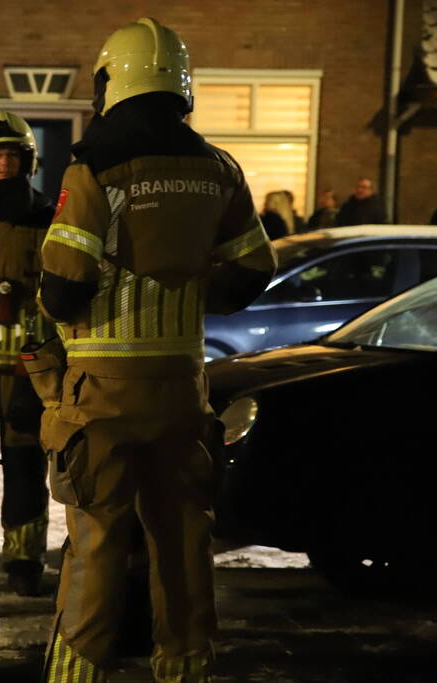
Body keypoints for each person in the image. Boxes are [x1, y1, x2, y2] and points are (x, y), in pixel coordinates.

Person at [35, 18, 277, 682]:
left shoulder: (94, 165)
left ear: (111, 82)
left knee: (96, 544)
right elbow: (253, 270)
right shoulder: (217, 167)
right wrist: (193, 288)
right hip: (180, 391)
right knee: (182, 541)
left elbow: (60, 289)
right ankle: (185, 665)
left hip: (102, 400)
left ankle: (75, 672)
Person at [0, 111, 55, 597]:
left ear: (27, 160)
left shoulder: (47, 216)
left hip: (26, 367)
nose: (3, 164)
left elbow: (59, 293)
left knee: (25, 471)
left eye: (11, 155)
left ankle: (25, 560)